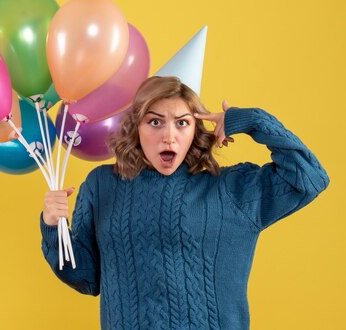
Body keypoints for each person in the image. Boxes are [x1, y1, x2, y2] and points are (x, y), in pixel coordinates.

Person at [40, 76, 329, 330]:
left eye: (182, 123)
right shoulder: (102, 185)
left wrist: (250, 120)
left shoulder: (232, 190)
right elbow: (87, 277)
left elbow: (310, 177)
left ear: (196, 130)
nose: (169, 136)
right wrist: (54, 227)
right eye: (155, 122)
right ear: (136, 128)